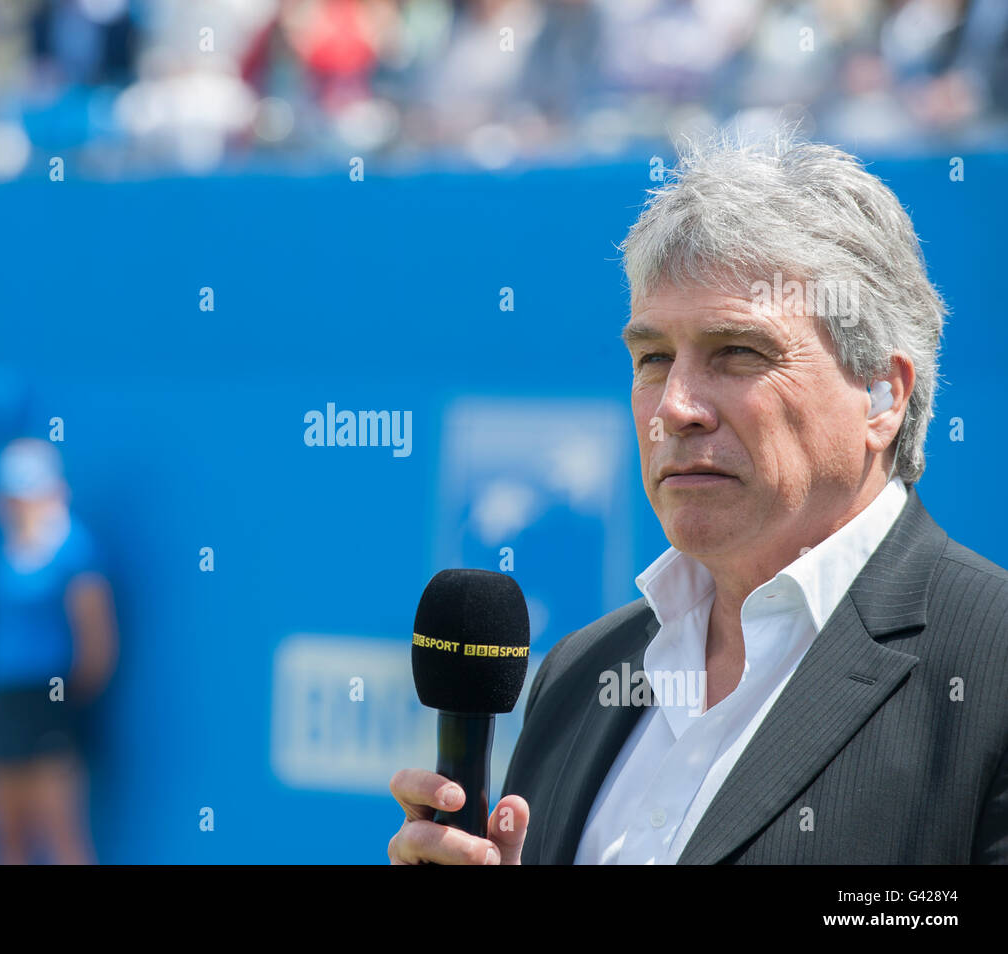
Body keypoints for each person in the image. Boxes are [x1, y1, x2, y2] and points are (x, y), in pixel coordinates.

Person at [388, 125, 1008, 864]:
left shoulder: (991, 667)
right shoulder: (581, 673)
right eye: (652, 359)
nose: (676, 407)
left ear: (881, 397)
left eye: (738, 353)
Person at [0, 437, 118, 864]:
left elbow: (97, 645)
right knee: (6, 836)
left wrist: (62, 702)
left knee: (62, 835)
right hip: (1, 703)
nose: (22, 505)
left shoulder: (76, 550)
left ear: (56, 491)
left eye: (33, 493)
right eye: (15, 496)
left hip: (49, 702)